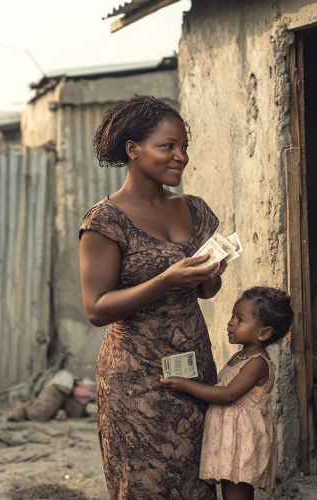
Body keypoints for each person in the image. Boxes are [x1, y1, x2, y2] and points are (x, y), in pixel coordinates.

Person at [79, 95, 227, 500]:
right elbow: (96, 308)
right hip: (137, 381)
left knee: (198, 480)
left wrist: (211, 274)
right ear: (133, 149)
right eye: (168, 146)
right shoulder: (105, 220)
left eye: (184, 147)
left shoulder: (195, 211)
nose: (181, 156)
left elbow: (206, 292)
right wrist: (165, 279)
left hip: (195, 372)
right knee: (146, 485)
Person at [161, 287, 294, 500]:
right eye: (233, 315)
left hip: (242, 441)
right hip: (229, 438)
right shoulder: (241, 356)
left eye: (240, 319)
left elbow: (228, 394)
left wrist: (186, 386)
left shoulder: (257, 363)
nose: (231, 322)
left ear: (264, 333)